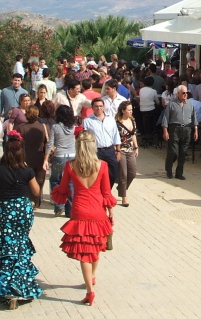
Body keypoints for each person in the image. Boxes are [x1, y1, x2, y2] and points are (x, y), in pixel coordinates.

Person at [51, 129, 115, 307]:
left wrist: (59, 197)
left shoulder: (71, 166)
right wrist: (110, 211)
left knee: (84, 254)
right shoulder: (102, 165)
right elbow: (106, 192)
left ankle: (89, 291)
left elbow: (63, 190)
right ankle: (92, 277)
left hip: (79, 211)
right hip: (98, 211)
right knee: (95, 247)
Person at [0, 130, 43, 310]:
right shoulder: (27, 170)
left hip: (5, 210)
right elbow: (36, 192)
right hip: (23, 211)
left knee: (6, 246)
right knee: (21, 245)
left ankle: (6, 287)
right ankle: (21, 286)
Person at [43, 105, 76, 217]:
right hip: (72, 156)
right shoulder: (74, 127)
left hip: (59, 156)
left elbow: (50, 144)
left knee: (56, 180)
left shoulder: (55, 127)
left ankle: (59, 206)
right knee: (71, 182)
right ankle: (70, 210)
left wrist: (45, 159)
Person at [83, 98, 121, 189]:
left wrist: (118, 150)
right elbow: (84, 139)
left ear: (104, 107)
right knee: (96, 174)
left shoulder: (111, 119)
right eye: (96, 106)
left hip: (109, 150)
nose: (98, 108)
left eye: (100, 106)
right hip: (95, 151)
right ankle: (98, 193)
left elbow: (116, 135)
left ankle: (107, 192)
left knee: (113, 174)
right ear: (92, 107)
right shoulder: (87, 121)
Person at [162, 85, 198, 180]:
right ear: (178, 94)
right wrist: (165, 131)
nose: (185, 94)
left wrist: (196, 130)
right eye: (183, 93)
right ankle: (169, 169)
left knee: (183, 152)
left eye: (186, 93)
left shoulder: (190, 104)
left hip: (186, 129)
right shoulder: (172, 104)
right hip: (175, 128)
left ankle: (179, 172)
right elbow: (165, 118)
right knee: (174, 151)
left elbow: (194, 118)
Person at [18, 106, 48, 208]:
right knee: (40, 180)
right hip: (40, 157)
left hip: (26, 157)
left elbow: (19, 145)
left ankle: (29, 200)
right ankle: (37, 201)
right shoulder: (44, 127)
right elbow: (47, 143)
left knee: (27, 180)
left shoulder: (21, 128)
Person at [115, 101, 138, 207]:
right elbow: (114, 137)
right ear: (123, 111)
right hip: (121, 150)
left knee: (132, 173)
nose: (131, 111)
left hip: (130, 149)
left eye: (131, 109)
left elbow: (133, 135)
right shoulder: (117, 122)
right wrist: (116, 150)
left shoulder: (132, 120)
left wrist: (136, 147)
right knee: (123, 174)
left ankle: (121, 187)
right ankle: (124, 197)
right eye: (129, 110)